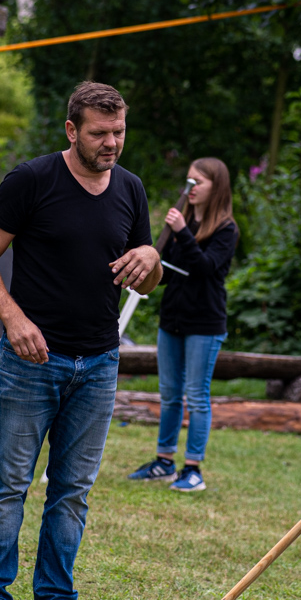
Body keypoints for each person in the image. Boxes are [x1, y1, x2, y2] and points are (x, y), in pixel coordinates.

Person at [0, 81, 161, 600]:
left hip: (99, 362)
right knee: (9, 485)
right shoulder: (32, 180)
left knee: (72, 492)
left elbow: (146, 280)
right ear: (72, 130)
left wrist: (152, 257)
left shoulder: (130, 189)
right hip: (34, 361)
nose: (111, 143)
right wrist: (13, 319)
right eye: (100, 133)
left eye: (119, 131)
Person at [127, 157, 238, 492]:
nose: (190, 188)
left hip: (204, 324)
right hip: (172, 321)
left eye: (198, 182)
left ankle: (193, 469)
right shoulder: (183, 224)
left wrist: (182, 232)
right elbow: (167, 274)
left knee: (197, 396)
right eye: (188, 180)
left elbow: (204, 269)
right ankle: (163, 462)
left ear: (216, 187)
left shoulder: (226, 230)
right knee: (170, 395)